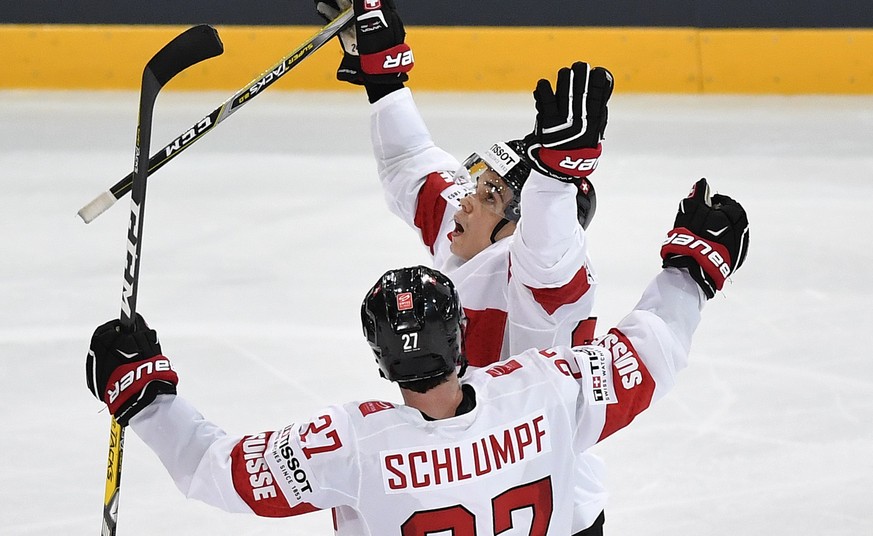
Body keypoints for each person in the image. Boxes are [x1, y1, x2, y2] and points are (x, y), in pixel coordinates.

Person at [85, 178, 749, 535]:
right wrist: (691, 271)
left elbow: (220, 473)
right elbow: (647, 353)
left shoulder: (348, 442)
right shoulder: (542, 393)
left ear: (379, 357)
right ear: (463, 333)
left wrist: (144, 397)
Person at [313, 1, 613, 531]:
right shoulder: (468, 237)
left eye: (491, 195)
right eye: (480, 183)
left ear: (521, 224)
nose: (467, 200)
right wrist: (385, 78)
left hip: (549, 503)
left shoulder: (538, 280)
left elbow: (550, 248)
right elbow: (412, 163)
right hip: (473, 475)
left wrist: (556, 177)